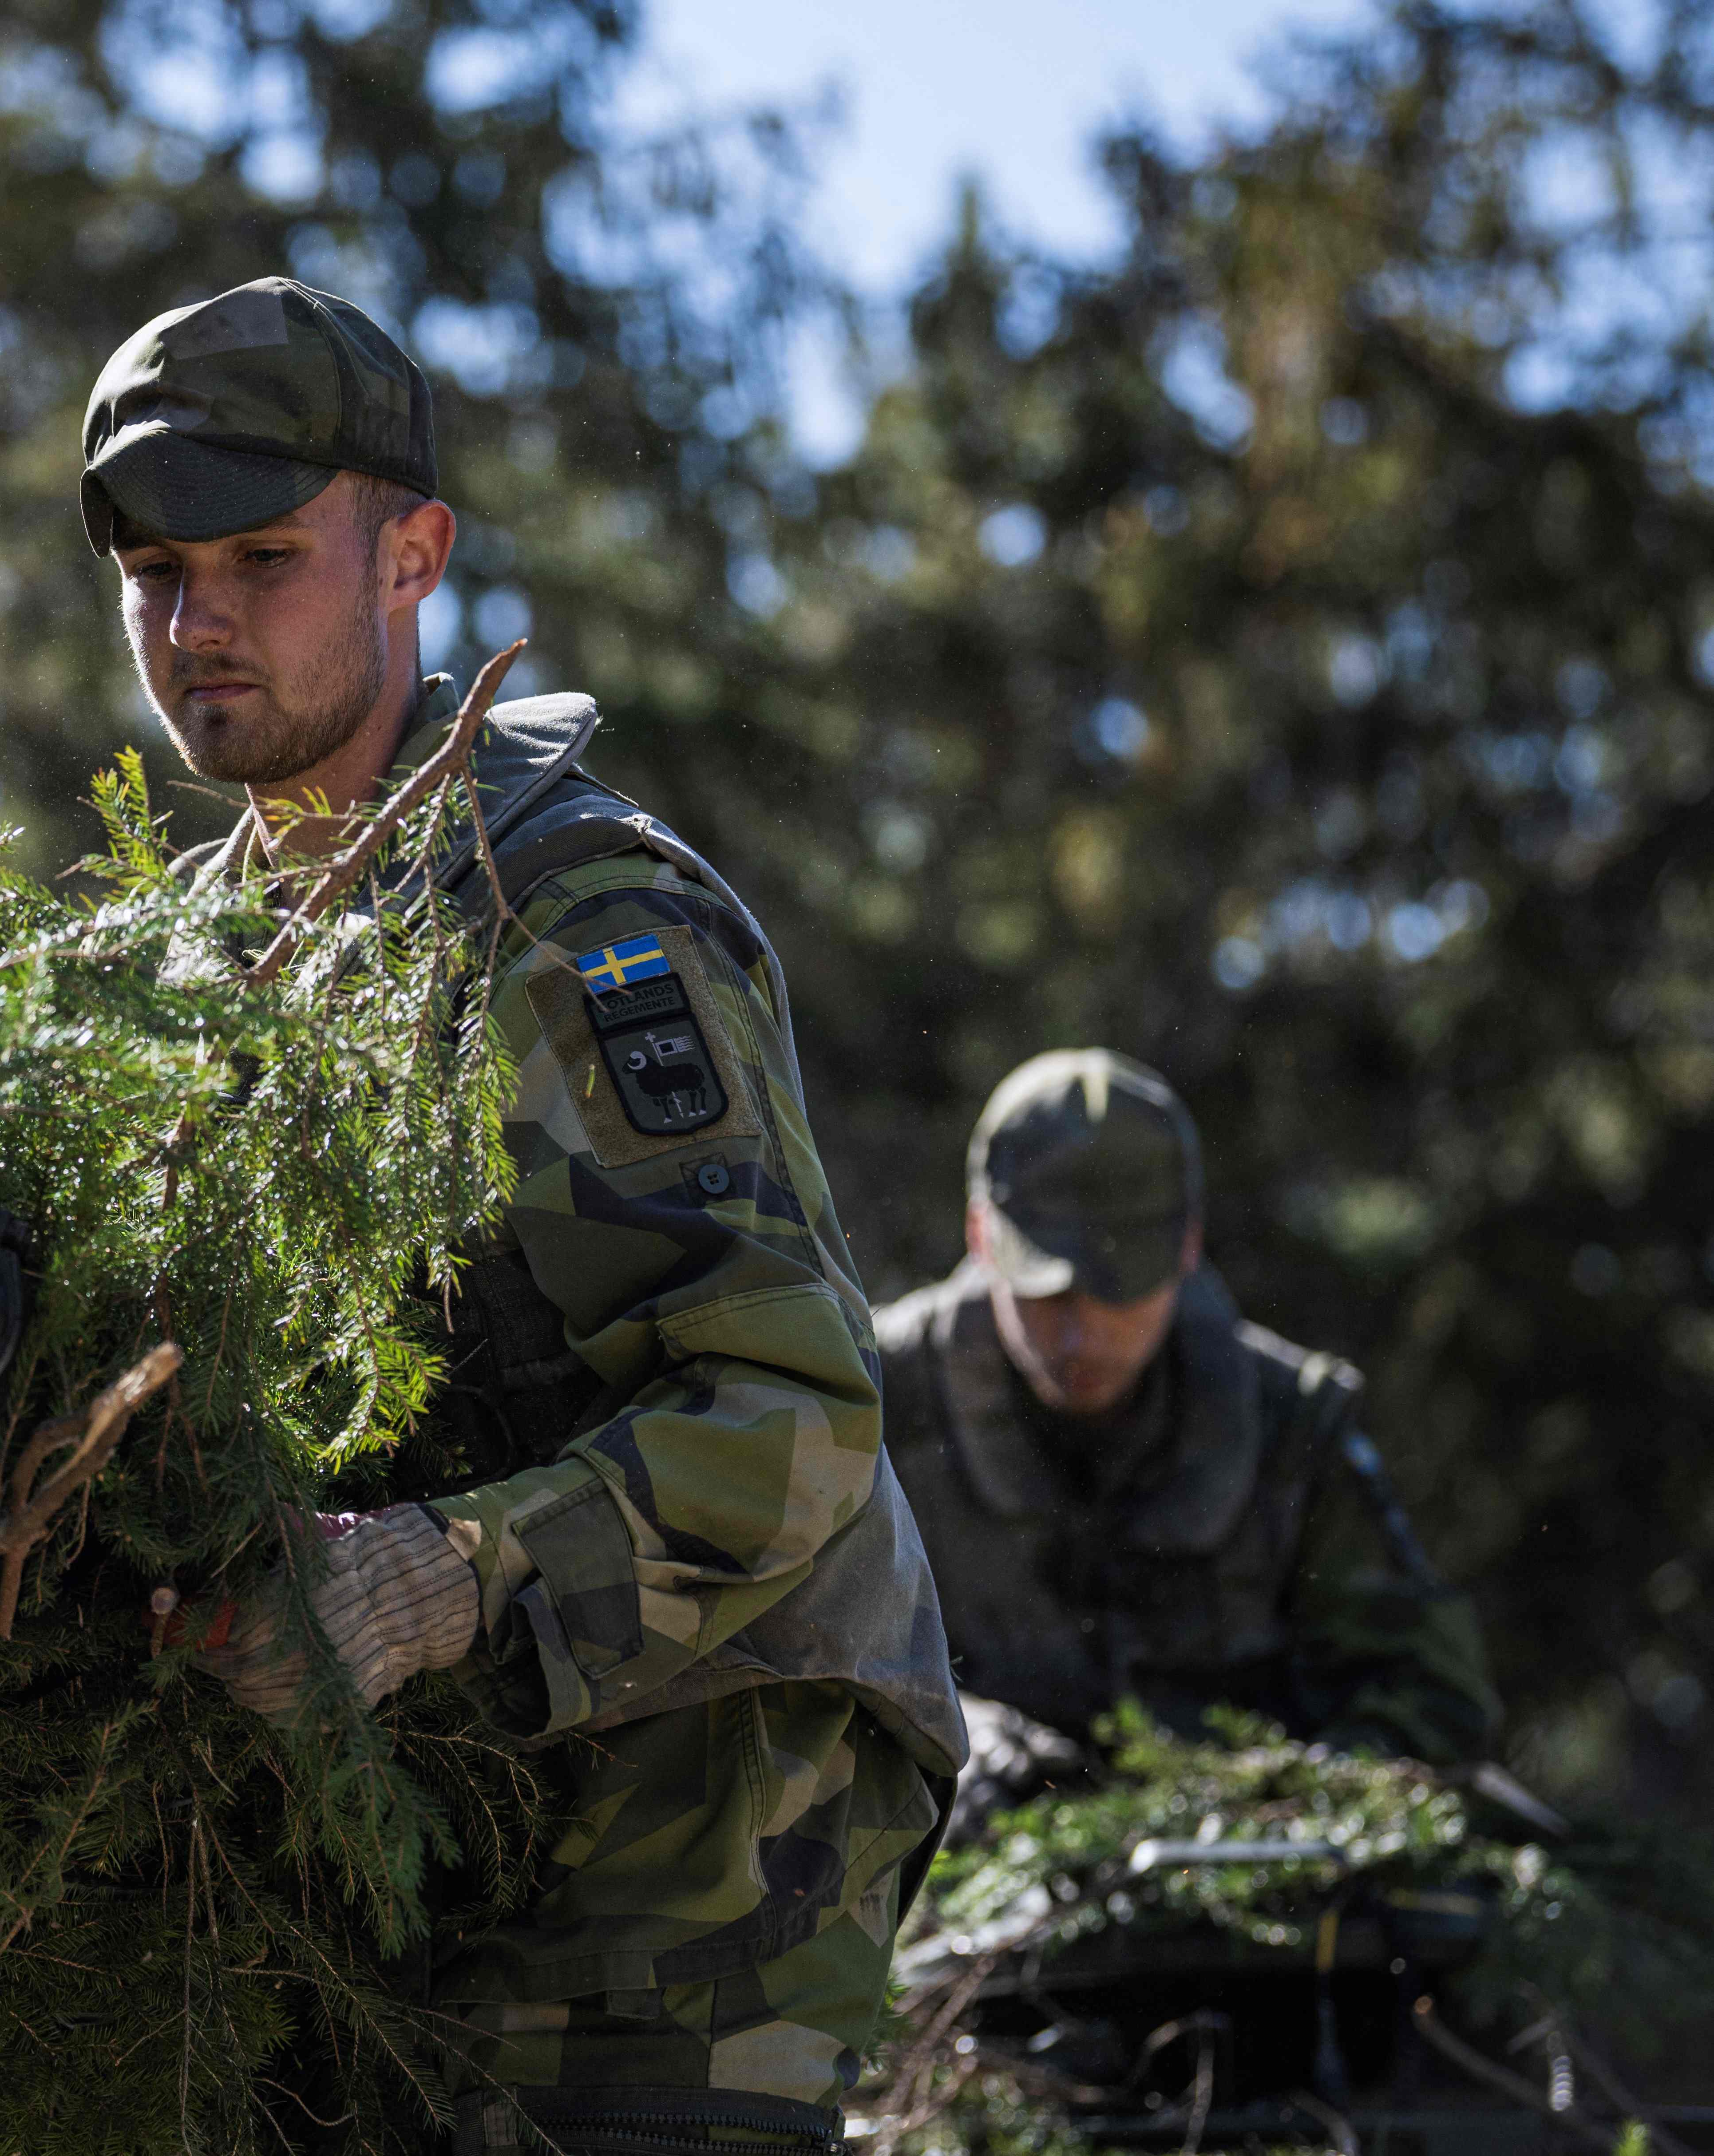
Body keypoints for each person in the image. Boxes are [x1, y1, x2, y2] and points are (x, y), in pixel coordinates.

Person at [86, 277, 967, 2156]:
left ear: (414, 557)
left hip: (700, 1796)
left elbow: (795, 1413)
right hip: (414, 1814)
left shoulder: (568, 926)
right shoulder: (184, 970)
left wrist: (435, 1573)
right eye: (156, 570)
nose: (199, 620)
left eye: (263, 554)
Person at [875, 1048, 1499, 1834]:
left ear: (1187, 1247)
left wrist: (1286, 1801)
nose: (1081, 1328)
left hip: (1251, 1894)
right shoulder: (873, 1402)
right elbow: (785, 1664)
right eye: (1046, 1287)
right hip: (932, 1887)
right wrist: (948, 1742)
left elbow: (1429, 1693)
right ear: (978, 1234)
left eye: (1119, 1283)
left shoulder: (1290, 1424)